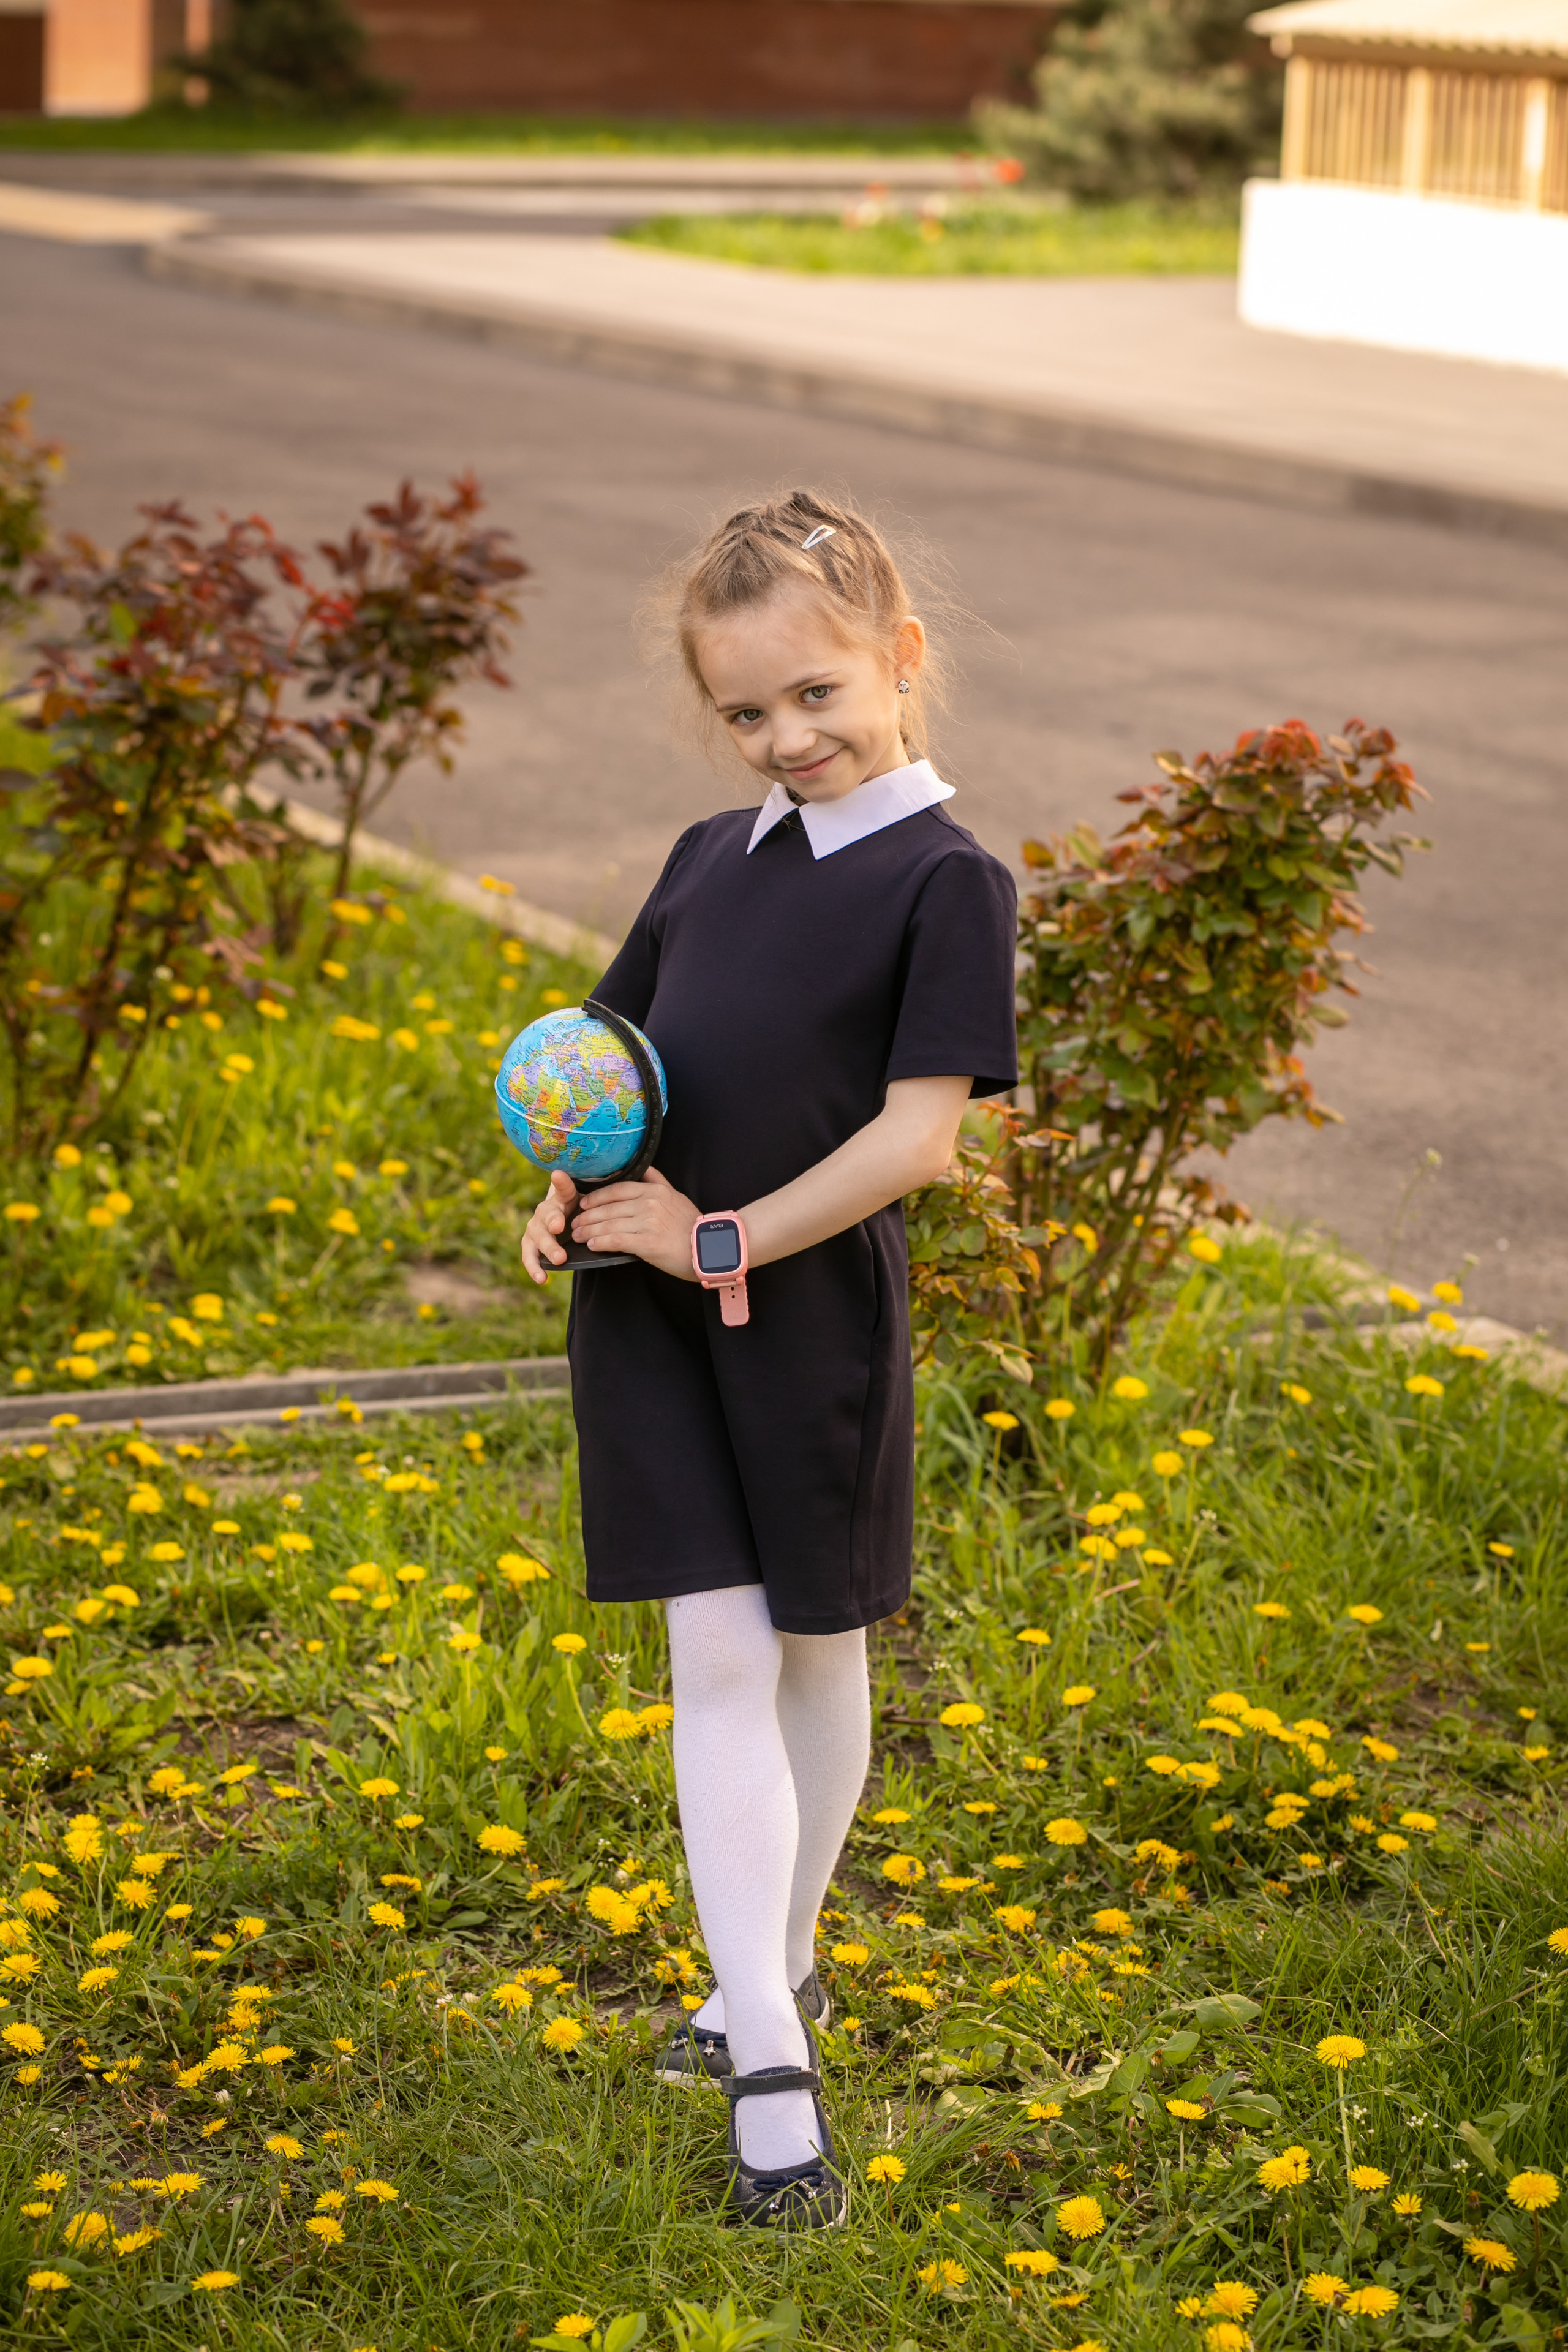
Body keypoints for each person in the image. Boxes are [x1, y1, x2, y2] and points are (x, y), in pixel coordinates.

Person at [521, 489, 1017, 2228]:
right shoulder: (703, 857)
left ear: (900, 658)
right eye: (746, 712)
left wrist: (724, 1236)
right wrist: (569, 1188)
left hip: (800, 1317)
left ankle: (779, 1968)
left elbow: (919, 1140)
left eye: (816, 696)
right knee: (718, 1661)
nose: (785, 738)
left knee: (818, 1653)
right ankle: (772, 2080)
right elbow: (608, 1059)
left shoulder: (950, 880)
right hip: (650, 1318)